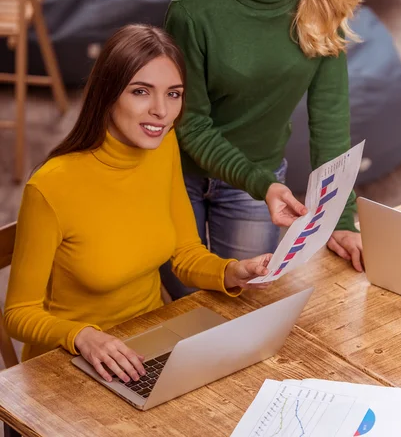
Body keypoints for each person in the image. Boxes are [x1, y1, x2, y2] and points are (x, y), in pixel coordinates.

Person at [4, 24, 272, 384]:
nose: (161, 111)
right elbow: (19, 314)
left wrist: (231, 272)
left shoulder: (163, 146)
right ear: (108, 93)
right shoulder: (50, 187)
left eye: (174, 94)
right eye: (141, 92)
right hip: (66, 366)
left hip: (149, 346)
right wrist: (82, 336)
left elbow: (185, 253)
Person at [163, 0, 374, 296]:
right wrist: (264, 184)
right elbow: (189, 122)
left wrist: (343, 217)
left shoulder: (324, 11)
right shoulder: (193, 9)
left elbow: (330, 122)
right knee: (187, 309)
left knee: (247, 302)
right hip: (174, 177)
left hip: (257, 185)